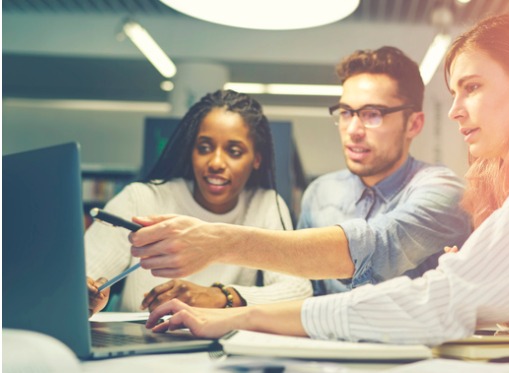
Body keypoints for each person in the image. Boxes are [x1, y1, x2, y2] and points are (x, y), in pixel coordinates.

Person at [142, 13, 509, 372]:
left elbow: (441, 300)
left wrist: (238, 304)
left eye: (472, 87)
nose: (457, 110)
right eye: (346, 112)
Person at [126, 46, 472, 293]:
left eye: (372, 114)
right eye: (346, 112)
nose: (353, 129)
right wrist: (218, 306)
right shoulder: (322, 193)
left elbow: (378, 246)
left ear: (414, 123)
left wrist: (218, 241)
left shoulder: (442, 191)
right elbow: (306, 295)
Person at [86, 90, 312, 316]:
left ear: (256, 159)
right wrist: (87, 295)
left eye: (234, 151)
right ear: (190, 152)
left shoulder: (264, 205)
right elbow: (80, 277)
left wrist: (220, 296)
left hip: (219, 346)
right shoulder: (141, 198)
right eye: (204, 148)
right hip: (139, 341)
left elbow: (298, 290)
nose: (215, 162)